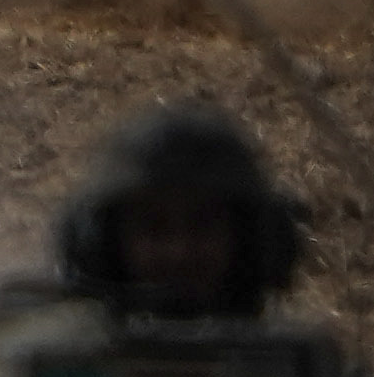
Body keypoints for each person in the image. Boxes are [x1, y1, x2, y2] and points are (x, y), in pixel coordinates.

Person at [46, 106, 303, 325]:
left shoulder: (298, 370)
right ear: (103, 244)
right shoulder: (62, 369)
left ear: (249, 239)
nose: (179, 252)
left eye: (203, 225)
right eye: (153, 228)